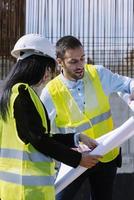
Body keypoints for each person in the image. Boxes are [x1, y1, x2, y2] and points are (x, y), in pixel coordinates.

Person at [0, 34, 101, 200]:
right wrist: (77, 159)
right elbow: (39, 140)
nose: (48, 75)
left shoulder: (9, 94)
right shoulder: (22, 94)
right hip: (29, 192)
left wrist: (76, 138)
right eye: (47, 68)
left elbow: (34, 136)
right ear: (34, 65)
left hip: (13, 190)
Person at [40, 35, 134, 200]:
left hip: (106, 155)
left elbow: (127, 84)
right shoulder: (51, 92)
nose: (80, 65)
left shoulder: (98, 73)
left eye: (82, 58)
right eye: (73, 61)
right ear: (60, 62)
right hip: (75, 160)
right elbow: (41, 132)